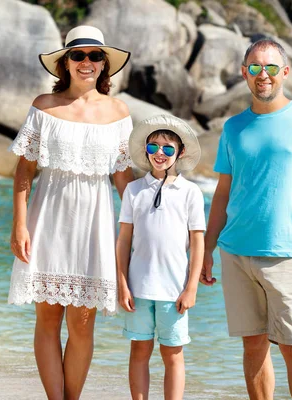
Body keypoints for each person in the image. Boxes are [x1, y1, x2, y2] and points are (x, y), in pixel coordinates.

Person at [201, 38, 292, 400]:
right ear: (244, 73)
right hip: (234, 253)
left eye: (271, 67)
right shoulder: (233, 128)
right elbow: (223, 193)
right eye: (256, 67)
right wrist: (206, 249)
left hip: (285, 253)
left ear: (285, 73)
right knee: (253, 346)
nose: (264, 75)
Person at [7, 25, 134, 400]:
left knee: (82, 323)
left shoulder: (118, 111)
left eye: (95, 56)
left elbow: (123, 178)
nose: (87, 62)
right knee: (48, 319)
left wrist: (146, 224)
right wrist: (19, 225)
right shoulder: (44, 106)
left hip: (95, 223)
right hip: (48, 219)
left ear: (104, 64)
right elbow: (24, 171)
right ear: (65, 62)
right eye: (78, 55)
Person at [116, 115, 206, 400]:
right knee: (139, 350)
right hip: (139, 287)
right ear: (145, 151)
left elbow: (198, 242)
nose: (160, 153)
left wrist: (191, 287)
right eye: (153, 147)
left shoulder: (190, 192)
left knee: (173, 354)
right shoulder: (133, 190)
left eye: (168, 148)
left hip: (174, 289)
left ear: (179, 153)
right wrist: (122, 283)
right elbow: (124, 241)